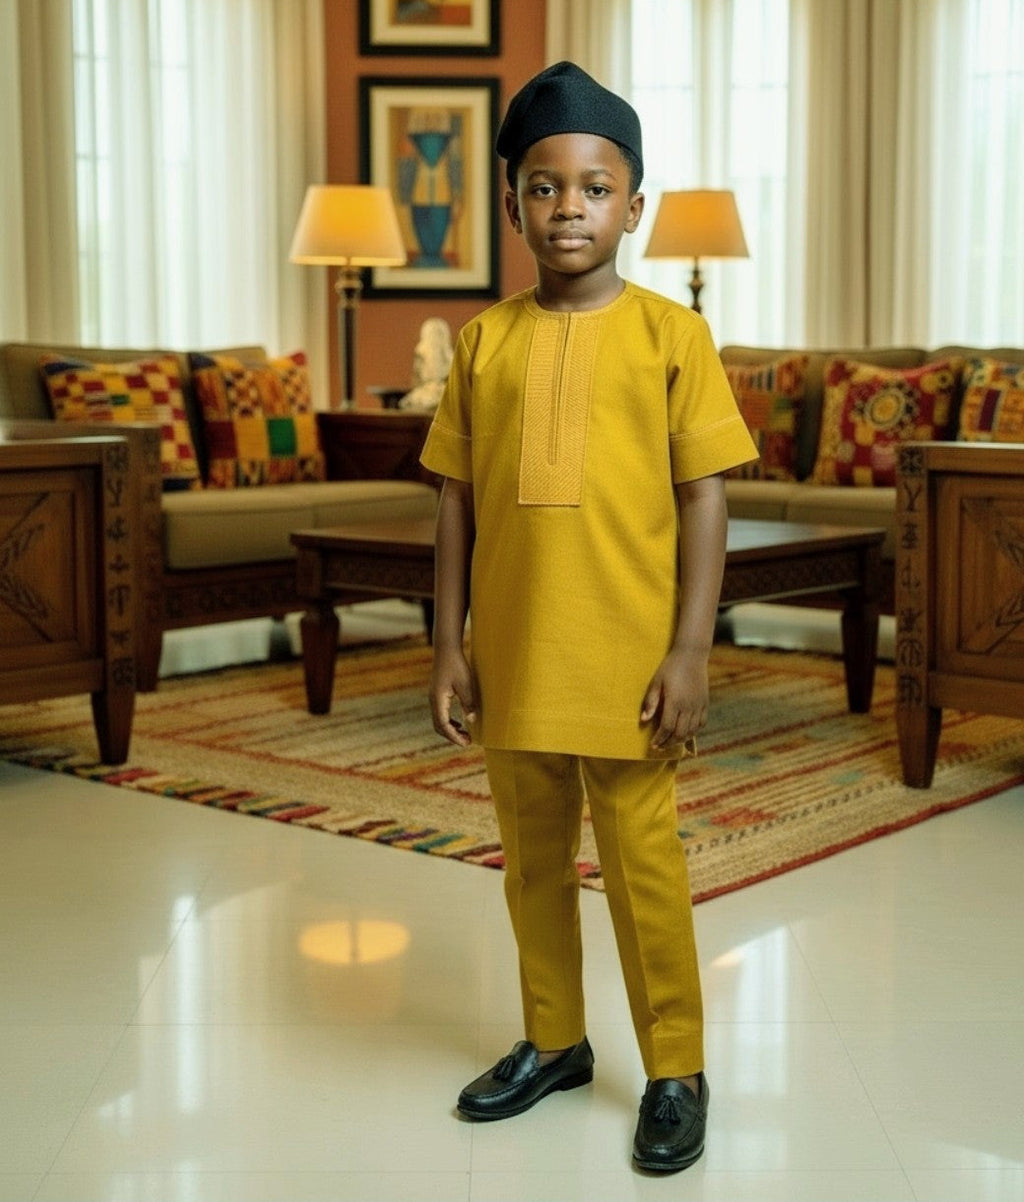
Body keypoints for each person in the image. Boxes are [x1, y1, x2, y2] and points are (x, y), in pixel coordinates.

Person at [419, 60, 757, 1173]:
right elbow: (455, 501)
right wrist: (448, 644)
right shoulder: (485, 344)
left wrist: (691, 646)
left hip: (627, 659)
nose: (570, 206)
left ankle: (675, 1062)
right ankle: (554, 1038)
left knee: (641, 861)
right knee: (528, 859)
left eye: (596, 187)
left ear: (634, 206)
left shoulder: (673, 338)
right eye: (545, 186)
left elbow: (706, 492)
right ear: (513, 202)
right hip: (514, 651)